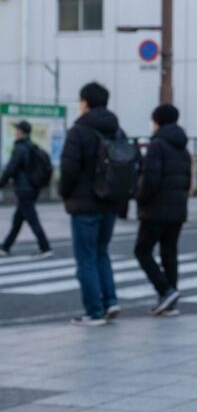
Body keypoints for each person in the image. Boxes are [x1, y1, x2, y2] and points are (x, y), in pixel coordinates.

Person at [60, 82, 131, 327]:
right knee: (102, 253)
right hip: (109, 202)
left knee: (86, 258)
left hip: (84, 205)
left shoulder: (79, 130)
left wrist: (65, 194)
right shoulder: (116, 130)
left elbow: (68, 169)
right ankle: (110, 301)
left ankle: (94, 311)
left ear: (85, 103)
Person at [135, 104, 192, 317]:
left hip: (155, 209)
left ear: (157, 121)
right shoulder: (183, 148)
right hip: (177, 209)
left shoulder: (157, 145)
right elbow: (187, 181)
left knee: (142, 250)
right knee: (169, 252)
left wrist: (140, 199)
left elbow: (150, 179)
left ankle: (165, 290)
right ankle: (170, 300)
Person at [0, 121, 53, 259]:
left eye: (17, 130)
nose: (15, 132)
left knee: (32, 220)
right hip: (32, 188)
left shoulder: (20, 148)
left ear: (22, 132)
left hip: (24, 190)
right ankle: (5, 246)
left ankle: (45, 247)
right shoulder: (32, 146)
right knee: (18, 219)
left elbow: (10, 169)